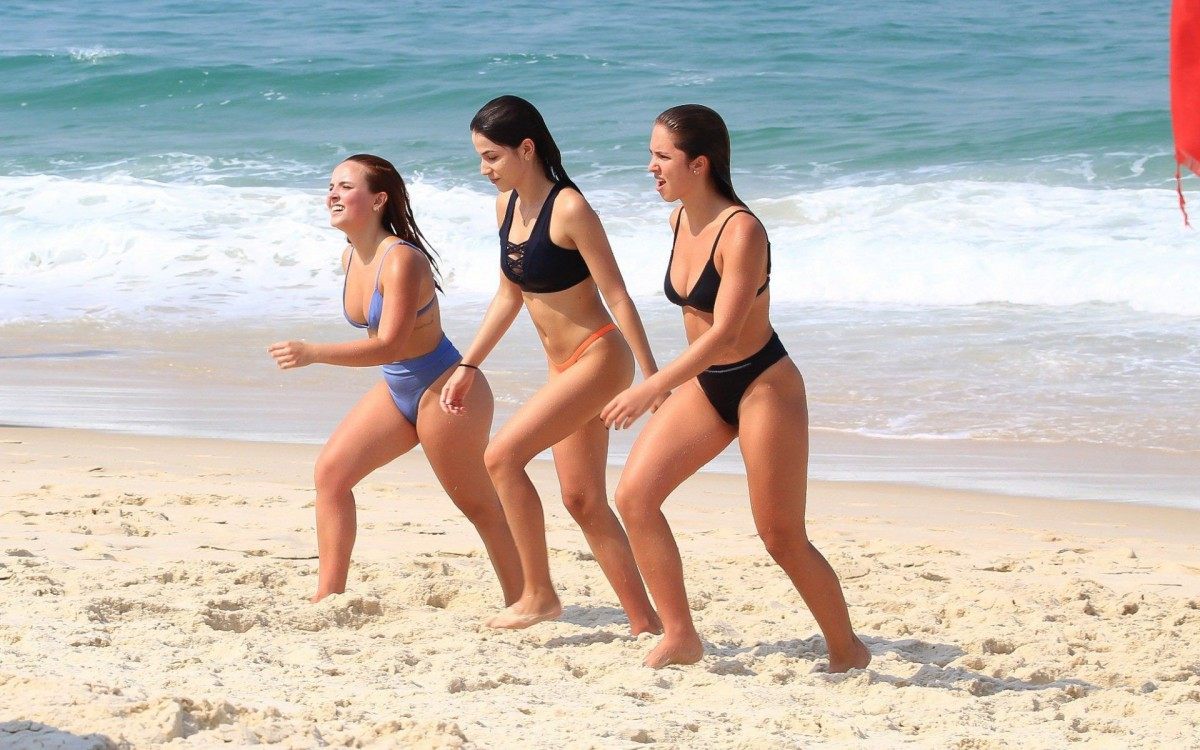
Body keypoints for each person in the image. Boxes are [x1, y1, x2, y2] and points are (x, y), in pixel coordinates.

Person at [601, 105, 871, 671]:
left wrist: (653, 386)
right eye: (651, 154)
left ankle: (848, 651)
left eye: (661, 156)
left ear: (699, 164)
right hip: (707, 383)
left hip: (762, 384)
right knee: (635, 497)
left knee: (779, 536)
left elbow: (725, 332)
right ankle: (680, 635)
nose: (650, 167)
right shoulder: (678, 221)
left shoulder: (742, 230)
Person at [439, 96, 661, 634]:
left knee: (503, 456)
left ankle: (538, 594)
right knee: (582, 499)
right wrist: (468, 363)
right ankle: (647, 623)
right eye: (480, 158)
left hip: (600, 357)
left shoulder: (570, 209)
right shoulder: (506, 208)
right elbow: (508, 296)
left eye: (491, 157)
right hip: (563, 369)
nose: (483, 169)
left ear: (527, 148)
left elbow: (618, 294)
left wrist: (654, 376)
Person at [268, 154, 522, 605]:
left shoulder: (402, 260)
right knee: (331, 475)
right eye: (331, 185)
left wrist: (314, 353)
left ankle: (525, 599)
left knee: (477, 505)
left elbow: (389, 344)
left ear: (379, 199)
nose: (332, 194)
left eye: (345, 187)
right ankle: (329, 595)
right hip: (398, 387)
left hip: (444, 389)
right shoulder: (351, 255)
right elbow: (390, 356)